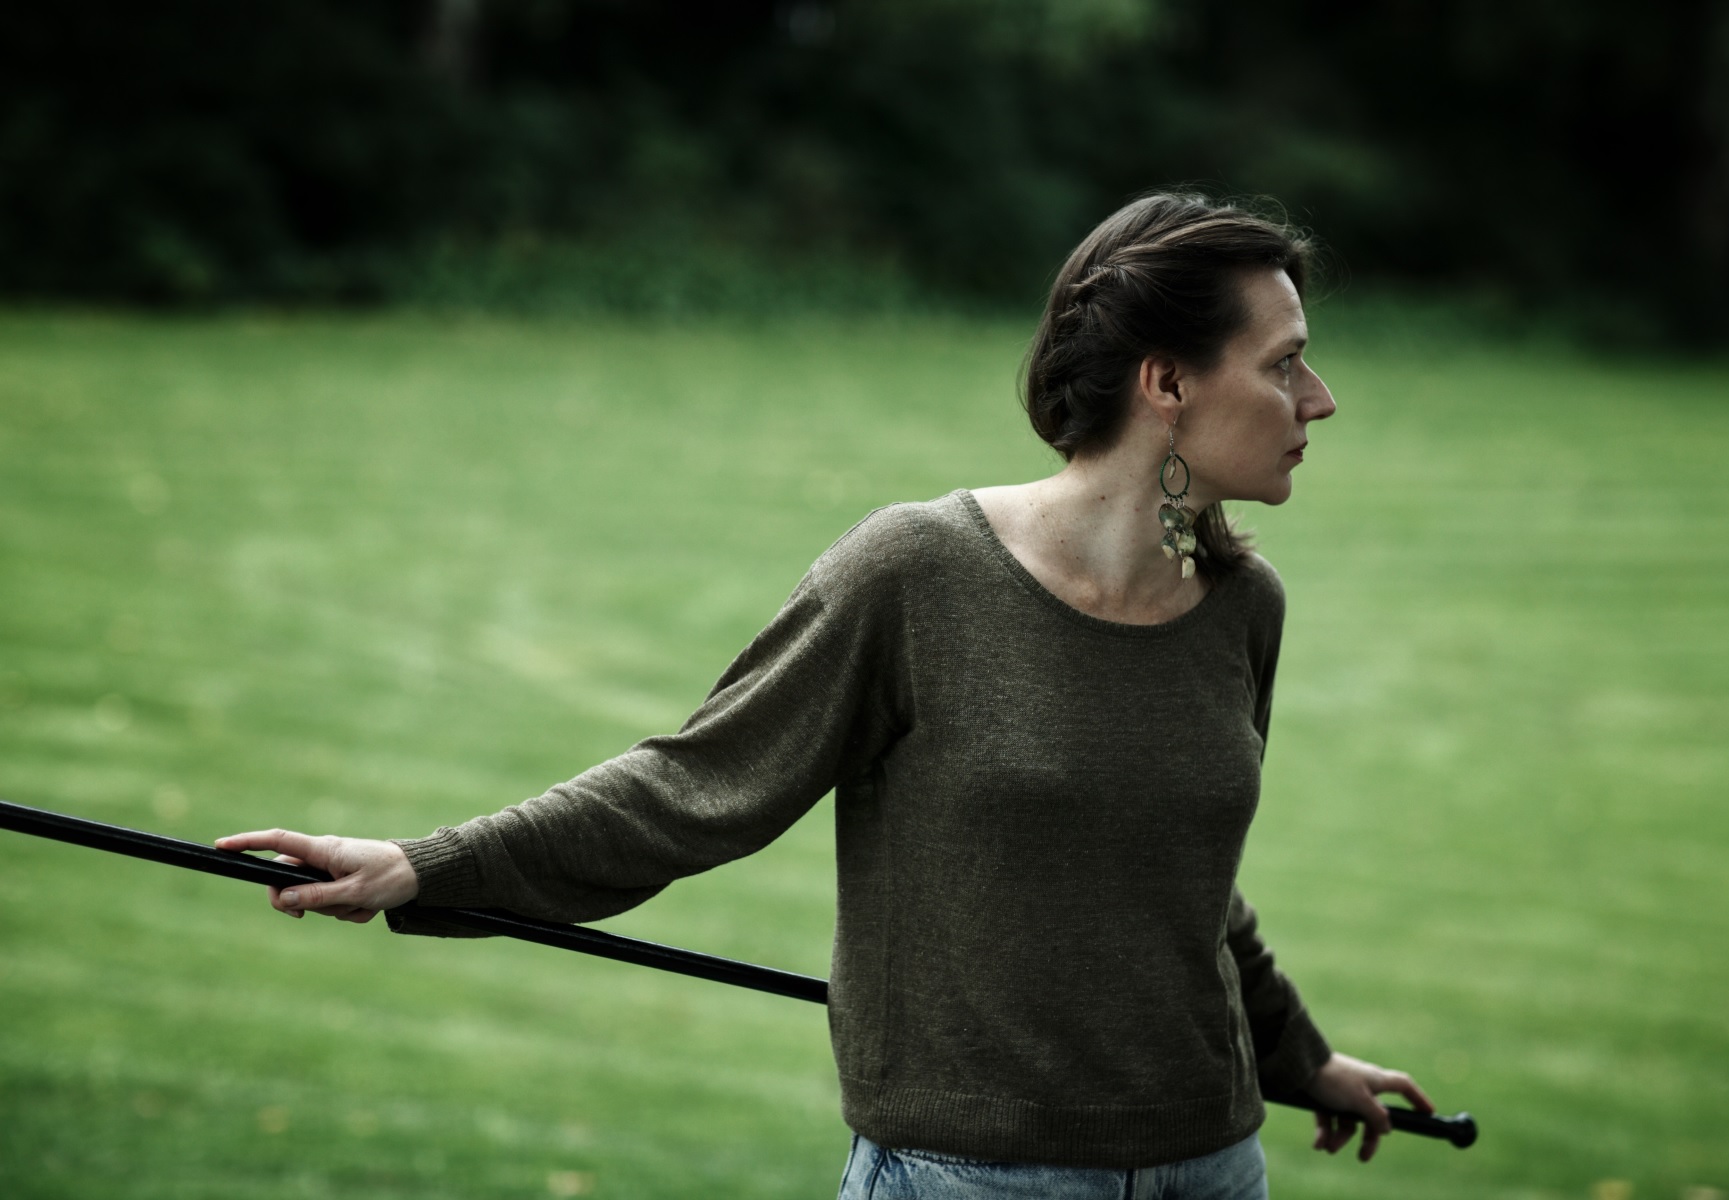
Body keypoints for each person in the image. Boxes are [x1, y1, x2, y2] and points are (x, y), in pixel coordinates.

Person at [218, 191, 1433, 1199]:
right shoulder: (916, 575)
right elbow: (695, 787)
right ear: (1167, 382)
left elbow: (1187, 885)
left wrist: (1300, 1057)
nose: (1319, 399)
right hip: (974, 1176)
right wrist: (429, 865)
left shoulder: (1240, 605)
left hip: (1212, 1164)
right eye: (1284, 366)